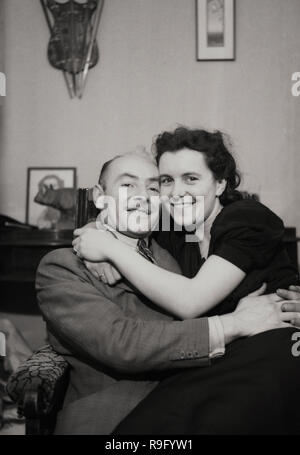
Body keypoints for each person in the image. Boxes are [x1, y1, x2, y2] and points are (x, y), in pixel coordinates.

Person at [36, 149, 296, 435]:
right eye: (127, 185)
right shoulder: (61, 267)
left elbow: (233, 278)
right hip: (115, 416)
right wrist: (236, 323)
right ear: (100, 195)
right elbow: (123, 344)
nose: (143, 197)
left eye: (153, 187)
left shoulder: (175, 248)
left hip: (203, 398)